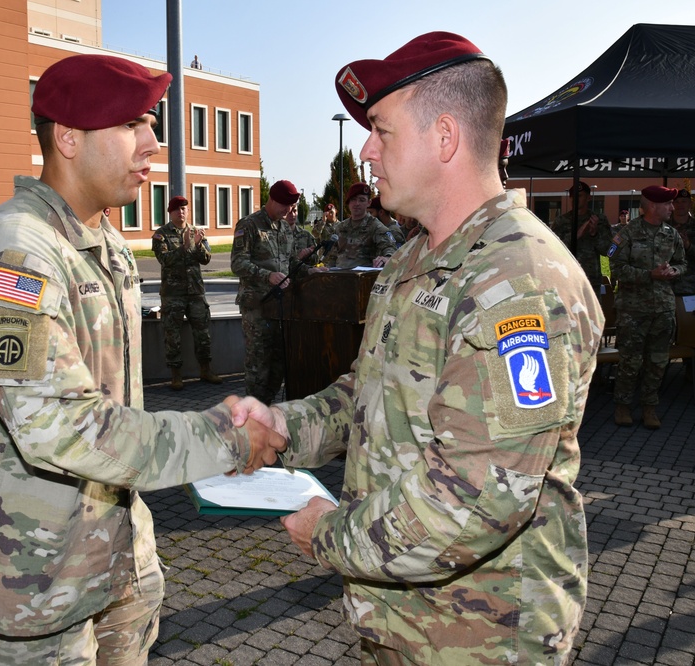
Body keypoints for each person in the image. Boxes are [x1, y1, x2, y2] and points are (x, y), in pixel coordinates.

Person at [230, 32, 603, 664]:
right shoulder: (409, 261)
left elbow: (475, 500)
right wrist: (283, 426)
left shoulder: (518, 282)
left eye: (381, 130)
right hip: (401, 618)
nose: (366, 151)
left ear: (446, 137)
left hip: (481, 635)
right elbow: (365, 394)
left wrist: (328, 534)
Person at [0, 54, 286, 665]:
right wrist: (224, 438)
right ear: (68, 138)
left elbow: (116, 408)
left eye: (151, 124)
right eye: (132, 125)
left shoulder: (106, 243)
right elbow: (60, 426)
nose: (153, 143)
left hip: (118, 548)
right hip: (35, 576)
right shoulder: (13, 254)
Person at [608, 185, 686, 429]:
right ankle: (622, 406)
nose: (673, 208)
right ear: (653, 206)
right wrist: (649, 275)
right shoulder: (626, 233)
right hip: (633, 310)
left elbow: (683, 263)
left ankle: (650, 408)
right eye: (668, 204)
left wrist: (674, 271)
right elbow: (616, 269)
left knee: (658, 361)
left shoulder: (671, 234)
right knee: (630, 361)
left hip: (663, 308)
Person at [231, 179, 315, 404]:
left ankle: (266, 409)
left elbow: (288, 265)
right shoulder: (249, 225)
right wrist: (266, 275)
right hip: (256, 306)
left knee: (278, 364)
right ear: (272, 199)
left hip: (279, 307)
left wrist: (312, 272)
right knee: (259, 364)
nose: (288, 211)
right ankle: (253, 414)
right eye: (284, 206)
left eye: (291, 206)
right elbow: (237, 263)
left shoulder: (284, 228)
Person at [152, 195, 222, 390]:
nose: (181, 212)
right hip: (173, 294)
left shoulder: (196, 232)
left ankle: (206, 369)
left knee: (203, 333)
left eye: (184, 209)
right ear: (170, 212)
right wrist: (184, 247)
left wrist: (198, 244)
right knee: (172, 335)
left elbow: (206, 259)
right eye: (177, 209)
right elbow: (165, 260)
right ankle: (176, 375)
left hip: (195, 292)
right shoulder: (161, 235)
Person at [550, 181, 612, 288]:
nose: (575, 199)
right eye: (572, 196)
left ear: (588, 198)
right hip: (568, 278)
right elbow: (554, 249)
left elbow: (608, 251)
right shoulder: (561, 221)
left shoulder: (599, 220)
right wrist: (576, 235)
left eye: (579, 196)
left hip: (591, 281)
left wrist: (594, 234)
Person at [325, 182, 395, 269]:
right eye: (353, 199)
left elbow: (390, 249)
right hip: (338, 277)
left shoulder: (376, 227)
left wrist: (386, 257)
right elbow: (332, 257)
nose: (357, 203)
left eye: (362, 200)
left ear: (369, 203)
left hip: (364, 279)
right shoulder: (341, 227)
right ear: (348, 202)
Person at [670, 189, 695, 296]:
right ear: (671, 204)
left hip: (691, 287)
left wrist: (688, 246)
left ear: (690, 203)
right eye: (676, 202)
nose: (680, 205)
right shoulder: (663, 226)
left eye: (684, 201)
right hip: (666, 288)